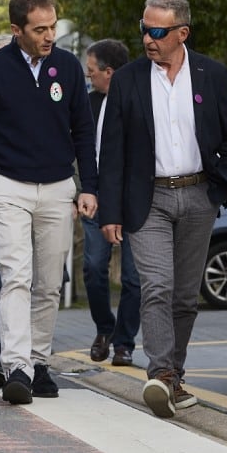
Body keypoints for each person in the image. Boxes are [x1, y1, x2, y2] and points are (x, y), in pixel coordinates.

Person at [98, 0, 227, 418]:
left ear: (182, 33)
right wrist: (111, 212)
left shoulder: (212, 75)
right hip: (149, 199)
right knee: (156, 287)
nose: (148, 38)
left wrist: (217, 189)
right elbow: (112, 152)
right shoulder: (127, 79)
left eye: (158, 31)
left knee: (184, 297)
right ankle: (160, 374)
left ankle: (174, 377)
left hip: (199, 195)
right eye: (145, 28)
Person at [0, 0, 98, 405]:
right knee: (15, 277)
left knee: (49, 283)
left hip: (58, 188)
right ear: (15, 29)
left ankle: (39, 363)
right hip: (8, 188)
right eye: (39, 29)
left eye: (53, 26)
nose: (49, 35)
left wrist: (87, 186)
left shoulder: (69, 67)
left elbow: (82, 131)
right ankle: (15, 366)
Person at [82, 38, 139, 367]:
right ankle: (105, 328)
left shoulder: (137, 101)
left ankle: (124, 342)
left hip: (133, 201)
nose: (89, 77)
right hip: (96, 197)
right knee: (93, 268)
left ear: (110, 72)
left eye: (92, 72)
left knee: (133, 277)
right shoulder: (87, 104)